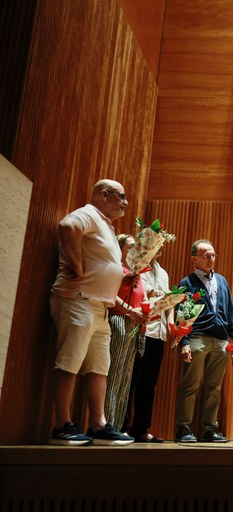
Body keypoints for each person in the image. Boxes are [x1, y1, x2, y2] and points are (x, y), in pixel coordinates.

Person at [49, 179, 138, 446]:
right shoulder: (89, 213)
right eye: (121, 196)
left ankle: (98, 425)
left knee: (99, 368)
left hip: (100, 308)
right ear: (104, 195)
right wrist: (76, 264)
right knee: (69, 361)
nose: (125, 203)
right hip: (79, 300)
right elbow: (67, 226)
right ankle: (62, 425)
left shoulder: (106, 224)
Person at [174, 239, 233, 443]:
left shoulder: (221, 281)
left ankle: (209, 429)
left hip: (220, 340)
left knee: (214, 388)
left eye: (213, 255)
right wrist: (184, 342)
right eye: (206, 256)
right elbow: (181, 316)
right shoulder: (186, 283)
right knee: (190, 386)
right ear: (194, 259)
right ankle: (183, 429)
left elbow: (230, 310)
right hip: (197, 338)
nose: (211, 259)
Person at [123, 248, 172, 442]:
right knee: (131, 380)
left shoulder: (163, 273)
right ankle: (122, 425)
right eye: (156, 243)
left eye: (161, 244)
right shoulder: (137, 268)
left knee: (149, 384)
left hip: (159, 333)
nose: (159, 247)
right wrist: (160, 295)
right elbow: (142, 294)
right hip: (142, 329)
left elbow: (168, 303)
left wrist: (171, 324)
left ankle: (141, 428)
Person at [104, 234, 148, 429]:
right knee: (114, 375)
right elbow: (110, 294)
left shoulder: (136, 273)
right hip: (119, 320)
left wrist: (147, 310)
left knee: (125, 378)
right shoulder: (117, 269)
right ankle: (107, 424)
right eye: (130, 247)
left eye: (136, 247)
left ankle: (118, 426)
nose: (134, 250)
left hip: (135, 324)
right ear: (120, 248)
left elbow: (143, 298)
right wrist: (130, 311)